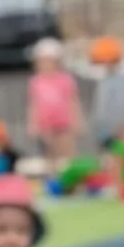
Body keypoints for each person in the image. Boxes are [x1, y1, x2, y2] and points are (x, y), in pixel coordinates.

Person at [26, 38, 82, 174]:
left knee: (67, 151)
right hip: (46, 123)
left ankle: (71, 176)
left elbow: (72, 101)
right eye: (42, 61)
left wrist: (77, 121)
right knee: (49, 153)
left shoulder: (65, 80)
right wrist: (32, 123)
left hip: (63, 122)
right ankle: (52, 177)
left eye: (49, 61)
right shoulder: (36, 82)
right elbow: (33, 104)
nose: (46, 65)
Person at [89, 36, 124, 150]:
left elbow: (122, 104)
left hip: (115, 127)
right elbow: (100, 106)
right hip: (103, 127)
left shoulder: (121, 81)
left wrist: (119, 125)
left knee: (117, 153)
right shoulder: (103, 80)